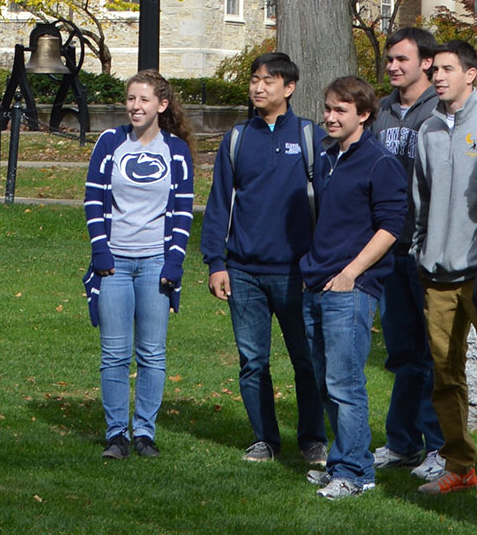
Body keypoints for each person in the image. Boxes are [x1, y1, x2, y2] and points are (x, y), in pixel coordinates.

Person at [201, 52, 328, 464]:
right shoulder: (237, 139)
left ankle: (312, 439)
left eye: (268, 80)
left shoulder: (311, 137)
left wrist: (321, 265)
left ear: (288, 88)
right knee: (253, 362)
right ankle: (264, 439)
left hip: (297, 273)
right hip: (244, 273)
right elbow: (219, 203)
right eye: (255, 79)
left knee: (306, 362)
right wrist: (216, 263)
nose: (258, 87)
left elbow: (328, 207)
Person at [413, 39, 477, 501]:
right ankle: (460, 466)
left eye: (447, 69)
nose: (437, 76)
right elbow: (422, 200)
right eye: (434, 69)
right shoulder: (428, 129)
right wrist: (422, 248)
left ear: (471, 75)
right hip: (436, 276)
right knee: (445, 377)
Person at [298, 76, 408, 500]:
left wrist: (351, 274)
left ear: (363, 114)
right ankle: (345, 462)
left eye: (341, 110)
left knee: (346, 383)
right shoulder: (327, 157)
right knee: (327, 381)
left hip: (352, 287)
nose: (330, 116)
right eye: (327, 108)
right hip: (316, 281)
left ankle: (356, 472)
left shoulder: (379, 161)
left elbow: (391, 228)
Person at [82, 70, 196, 460]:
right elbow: (93, 199)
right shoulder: (110, 143)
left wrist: (175, 259)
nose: (135, 106)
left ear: (161, 106)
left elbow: (183, 209)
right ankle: (117, 433)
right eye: (131, 99)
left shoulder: (176, 150)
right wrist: (101, 250)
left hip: (155, 263)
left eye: (144, 100)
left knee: (152, 353)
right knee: (114, 353)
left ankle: (144, 431)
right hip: (113, 263)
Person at [367, 27, 444, 472]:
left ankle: (438, 446)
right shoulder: (379, 113)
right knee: (401, 353)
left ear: (426, 63)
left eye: (402, 59)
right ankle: (402, 442)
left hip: (426, 251)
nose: (393, 66)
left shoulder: (438, 113)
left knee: (431, 353)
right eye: (390, 60)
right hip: (387, 251)